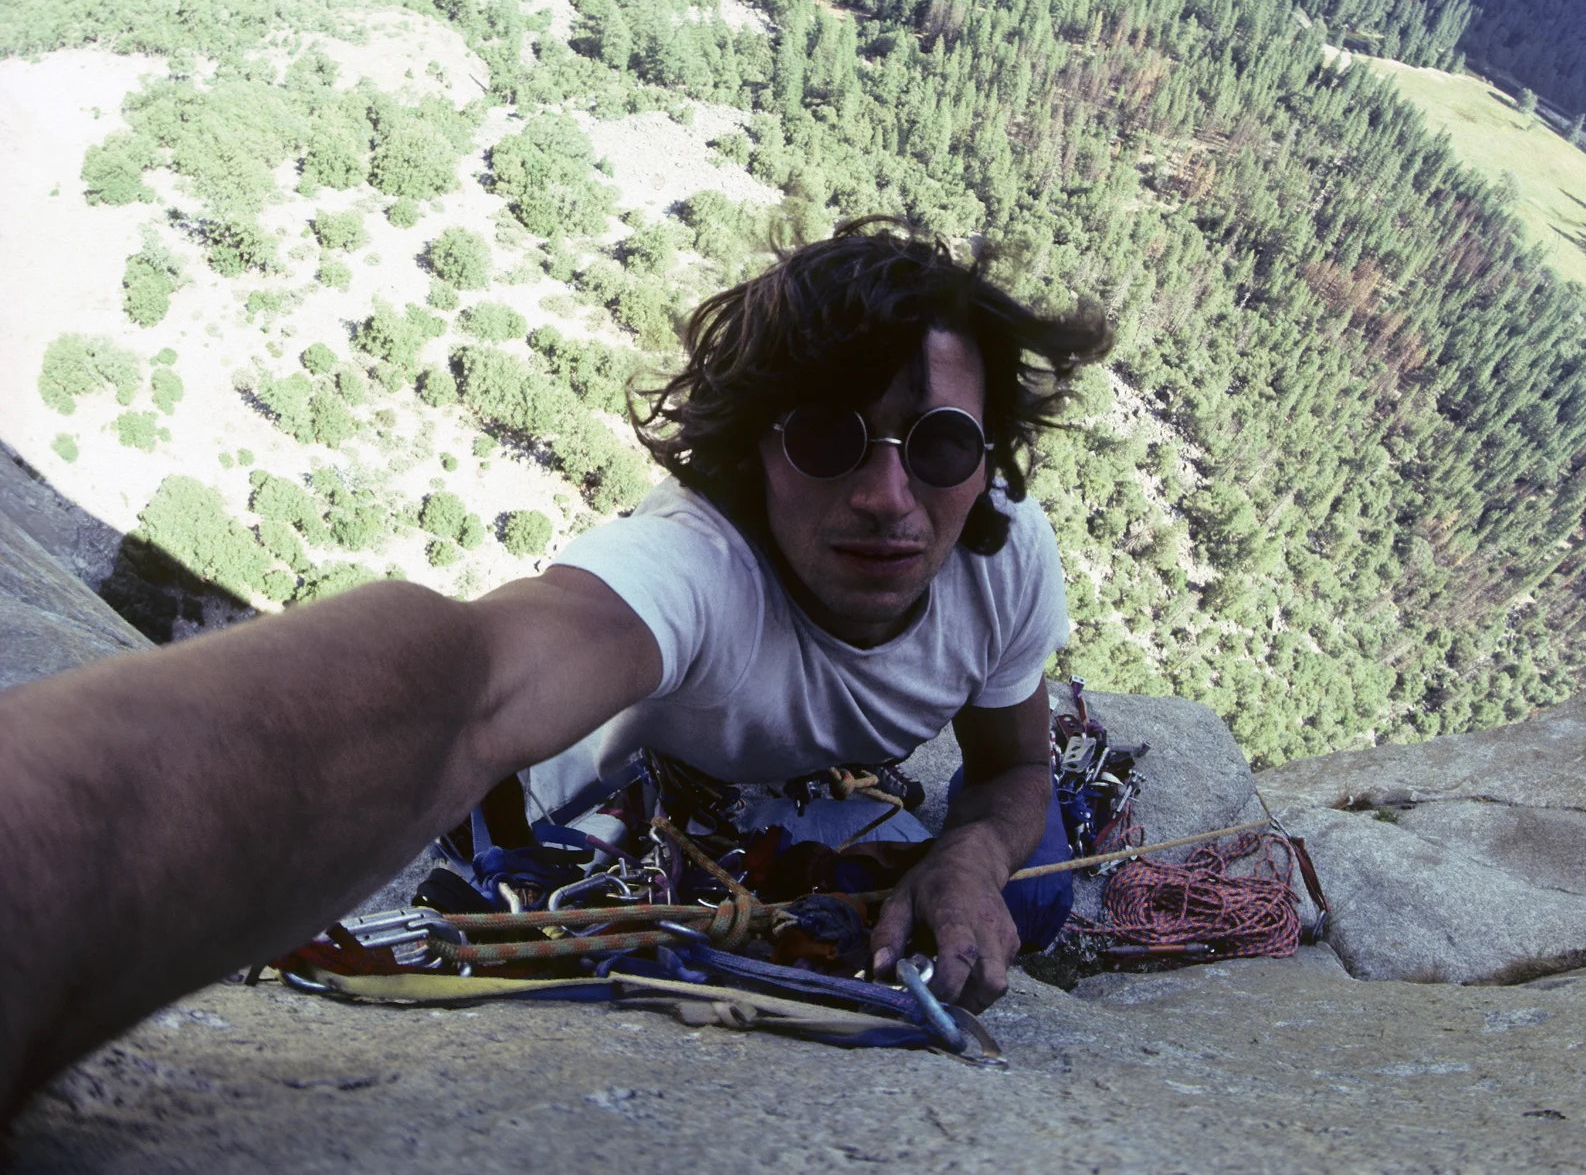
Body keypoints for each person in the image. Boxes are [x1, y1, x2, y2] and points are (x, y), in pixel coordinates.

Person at [0, 217, 1109, 1114]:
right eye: (827, 437)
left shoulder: (1004, 557)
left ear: (987, 460)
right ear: (756, 448)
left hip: (815, 784)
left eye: (940, 445)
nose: (885, 496)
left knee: (1024, 901)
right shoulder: (693, 564)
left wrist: (969, 859)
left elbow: (1012, 770)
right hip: (662, 774)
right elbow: (471, 688)